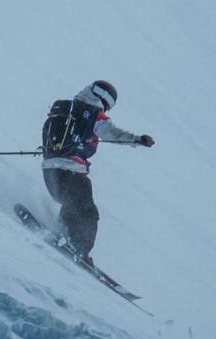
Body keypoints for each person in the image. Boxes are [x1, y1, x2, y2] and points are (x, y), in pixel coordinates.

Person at [41, 80, 154, 265]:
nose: (106, 111)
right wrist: (138, 140)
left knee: (72, 205)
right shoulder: (94, 115)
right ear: (103, 100)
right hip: (72, 174)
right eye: (108, 106)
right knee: (88, 212)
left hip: (50, 173)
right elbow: (113, 133)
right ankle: (79, 249)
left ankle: (64, 235)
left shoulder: (64, 107)